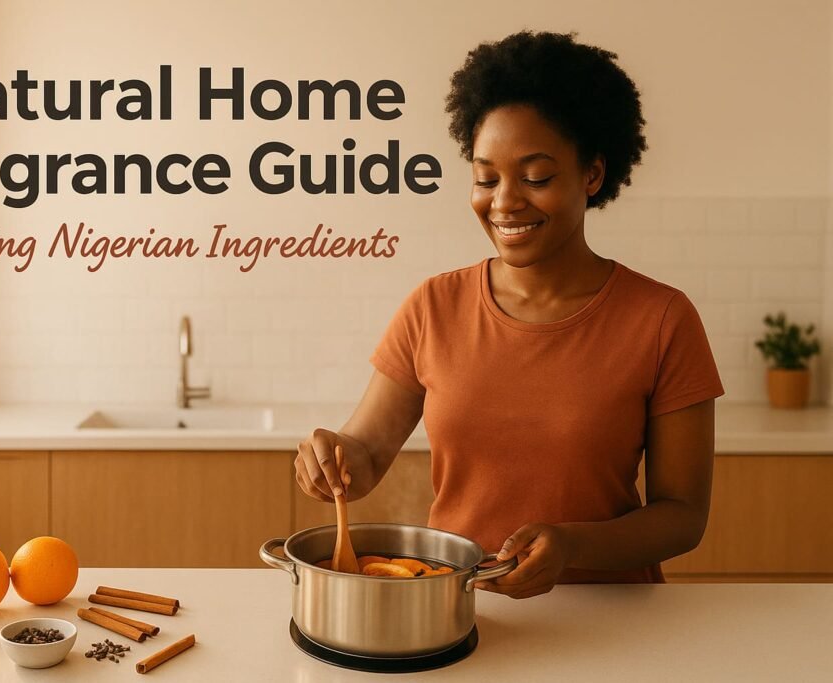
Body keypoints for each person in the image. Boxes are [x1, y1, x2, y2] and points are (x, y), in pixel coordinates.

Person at [294, 30, 725, 599]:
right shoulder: (434, 307)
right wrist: (333, 460)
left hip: (614, 619)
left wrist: (574, 546)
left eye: (536, 177)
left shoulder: (662, 319)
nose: (504, 202)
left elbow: (683, 515)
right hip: (456, 609)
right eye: (485, 177)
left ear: (592, 175)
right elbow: (368, 453)